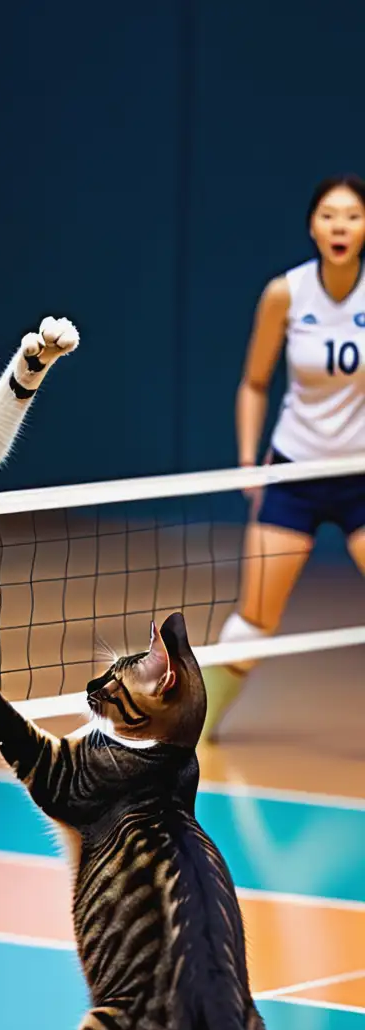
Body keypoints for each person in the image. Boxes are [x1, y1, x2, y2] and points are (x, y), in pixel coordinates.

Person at [204, 175, 365, 739]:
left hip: (359, 477)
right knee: (255, 618)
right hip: (295, 471)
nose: (340, 226)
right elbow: (254, 382)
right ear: (312, 226)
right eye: (328, 215)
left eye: (351, 215)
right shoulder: (286, 293)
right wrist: (251, 461)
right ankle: (194, 735)